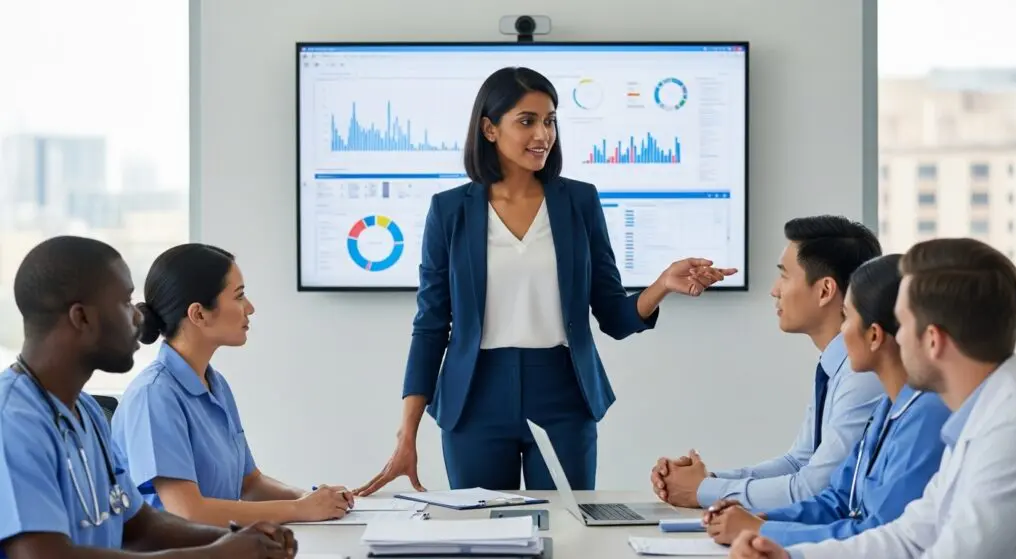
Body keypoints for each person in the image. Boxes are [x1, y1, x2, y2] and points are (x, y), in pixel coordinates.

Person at [354, 66, 737, 494]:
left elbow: (613, 315)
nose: (543, 134)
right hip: (475, 398)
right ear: (489, 129)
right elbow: (430, 325)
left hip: (562, 393)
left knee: (568, 524)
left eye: (550, 120)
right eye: (527, 121)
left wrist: (662, 284)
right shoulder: (449, 211)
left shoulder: (579, 201)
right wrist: (406, 434)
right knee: (482, 526)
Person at [0, 236, 297, 558]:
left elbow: (140, 526)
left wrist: (242, 538)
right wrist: (217, 554)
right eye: (125, 303)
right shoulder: (13, 420)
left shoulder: (86, 411)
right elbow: (41, 555)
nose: (139, 317)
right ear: (82, 317)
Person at [729, 237, 1016, 559]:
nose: (895, 337)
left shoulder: (1010, 433)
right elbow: (907, 537)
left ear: (933, 340)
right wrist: (790, 556)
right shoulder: (979, 420)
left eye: (902, 323)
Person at [703, 254, 949, 546]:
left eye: (847, 317)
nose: (841, 332)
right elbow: (838, 500)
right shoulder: (886, 408)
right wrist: (763, 520)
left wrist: (764, 532)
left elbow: (879, 532)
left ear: (874, 336)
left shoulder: (926, 415)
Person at [110, 243, 353, 528]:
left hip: (218, 544)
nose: (250, 308)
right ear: (199, 314)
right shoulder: (154, 395)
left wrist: (313, 499)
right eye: (239, 296)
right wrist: (299, 509)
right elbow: (187, 512)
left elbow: (250, 484)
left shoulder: (215, 384)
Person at [652, 215, 885, 509]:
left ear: (825, 291)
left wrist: (702, 490)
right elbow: (798, 462)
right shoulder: (833, 366)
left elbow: (813, 488)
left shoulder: (862, 374)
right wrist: (705, 481)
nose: (775, 290)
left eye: (785, 276)